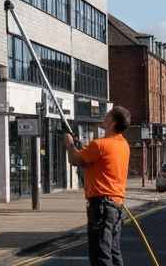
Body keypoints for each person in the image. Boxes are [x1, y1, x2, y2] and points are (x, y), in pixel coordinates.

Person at [63, 107, 131, 266]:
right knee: (113, 253)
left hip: (101, 207)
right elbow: (96, 163)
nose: (104, 116)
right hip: (116, 206)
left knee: (100, 255)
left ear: (112, 122)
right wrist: (82, 150)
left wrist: (69, 144)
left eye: (108, 115)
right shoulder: (123, 145)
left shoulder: (100, 145)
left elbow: (75, 160)